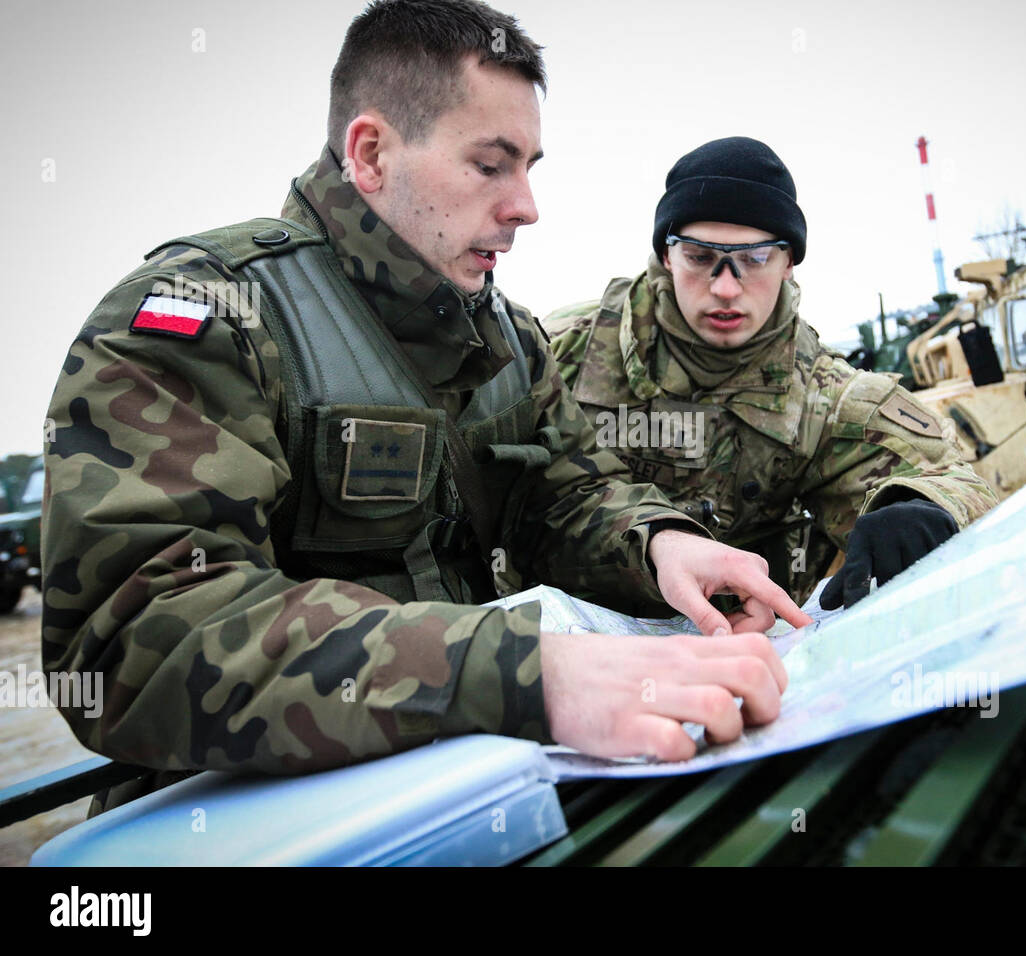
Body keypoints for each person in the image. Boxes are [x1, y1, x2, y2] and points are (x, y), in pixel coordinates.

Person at [40, 0, 812, 812]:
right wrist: (522, 673)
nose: (527, 205)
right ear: (371, 153)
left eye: (531, 167)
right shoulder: (203, 318)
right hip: (264, 820)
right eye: (491, 164)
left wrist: (658, 546)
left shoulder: (508, 339)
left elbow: (565, 495)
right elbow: (131, 636)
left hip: (484, 790)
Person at [543, 137, 999, 610]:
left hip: (740, 646)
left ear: (789, 262)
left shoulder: (821, 395)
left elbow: (958, 482)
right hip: (565, 640)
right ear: (666, 256)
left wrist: (922, 507)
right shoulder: (561, 352)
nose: (724, 287)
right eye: (700, 257)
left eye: (754, 259)